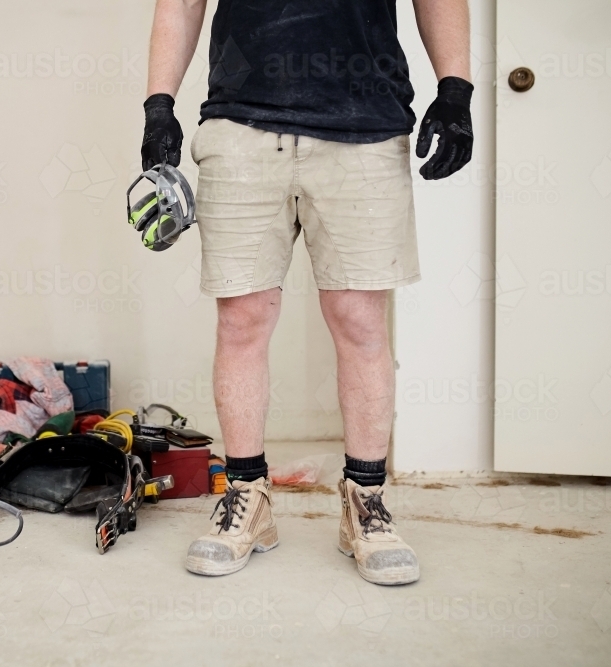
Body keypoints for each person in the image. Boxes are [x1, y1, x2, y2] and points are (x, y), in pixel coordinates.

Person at [141, 0, 473, 584]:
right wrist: (158, 106)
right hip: (240, 127)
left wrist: (456, 89)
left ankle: (365, 504)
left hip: (364, 128)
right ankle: (248, 498)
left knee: (359, 321)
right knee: (242, 321)